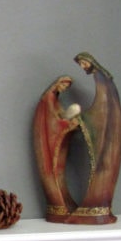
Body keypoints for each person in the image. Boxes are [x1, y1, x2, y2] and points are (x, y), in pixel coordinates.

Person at [66, 52, 121, 224]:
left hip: (105, 133)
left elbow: (102, 110)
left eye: (83, 64)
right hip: (106, 131)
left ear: (90, 62)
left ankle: (98, 205)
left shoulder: (102, 80)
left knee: (102, 164)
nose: (83, 68)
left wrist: (84, 117)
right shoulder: (104, 80)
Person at [32, 75, 80, 222]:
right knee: (52, 171)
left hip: (56, 144)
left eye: (66, 87)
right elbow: (51, 123)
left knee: (59, 170)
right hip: (48, 144)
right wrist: (66, 124)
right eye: (63, 85)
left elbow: (58, 116)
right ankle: (58, 204)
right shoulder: (47, 101)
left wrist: (68, 122)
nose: (64, 88)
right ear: (58, 84)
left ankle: (64, 203)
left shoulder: (55, 101)